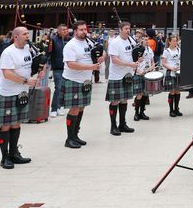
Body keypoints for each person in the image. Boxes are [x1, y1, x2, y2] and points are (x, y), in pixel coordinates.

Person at [0, 26, 38, 169]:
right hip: (8, 92)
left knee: (17, 123)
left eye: (27, 34)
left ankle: (14, 153)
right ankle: (4, 157)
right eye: (25, 34)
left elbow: (28, 67)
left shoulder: (27, 49)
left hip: (21, 92)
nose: (27, 36)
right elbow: (7, 73)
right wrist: (26, 81)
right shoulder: (8, 52)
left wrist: (37, 73)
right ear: (16, 36)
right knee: (5, 125)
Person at [61, 21, 105, 149]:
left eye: (85, 29)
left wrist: (102, 57)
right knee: (74, 108)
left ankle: (75, 135)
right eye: (81, 30)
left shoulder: (89, 42)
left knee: (81, 107)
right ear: (74, 31)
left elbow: (101, 51)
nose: (84, 32)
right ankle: (69, 139)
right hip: (73, 80)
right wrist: (90, 66)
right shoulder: (70, 46)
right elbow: (71, 64)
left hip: (85, 79)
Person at [106, 21, 139, 136]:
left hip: (128, 75)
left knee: (124, 99)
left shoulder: (131, 41)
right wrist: (130, 65)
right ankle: (113, 126)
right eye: (126, 29)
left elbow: (134, 54)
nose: (128, 31)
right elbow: (114, 60)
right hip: (117, 76)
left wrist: (138, 59)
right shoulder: (115, 42)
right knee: (114, 101)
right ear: (120, 29)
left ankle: (122, 124)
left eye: (129, 29)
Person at [48, 24, 69, 117]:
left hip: (68, 68)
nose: (65, 31)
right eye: (63, 30)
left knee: (65, 89)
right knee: (58, 88)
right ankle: (54, 108)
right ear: (58, 31)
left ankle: (61, 106)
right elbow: (49, 53)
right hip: (58, 68)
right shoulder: (53, 40)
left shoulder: (70, 40)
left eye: (66, 29)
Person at [132, 33, 153, 121]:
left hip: (147, 73)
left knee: (145, 93)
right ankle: (136, 113)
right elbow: (132, 61)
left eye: (147, 39)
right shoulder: (136, 49)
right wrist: (136, 69)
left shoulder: (149, 49)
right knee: (139, 94)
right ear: (141, 40)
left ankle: (142, 112)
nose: (147, 41)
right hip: (138, 73)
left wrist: (152, 69)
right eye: (145, 39)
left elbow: (152, 60)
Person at [161, 35, 182, 117]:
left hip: (178, 72)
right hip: (170, 72)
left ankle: (176, 109)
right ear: (169, 42)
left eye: (176, 41)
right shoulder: (166, 51)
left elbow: (180, 59)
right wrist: (171, 68)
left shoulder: (179, 50)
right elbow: (163, 63)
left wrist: (180, 66)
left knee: (178, 91)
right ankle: (171, 110)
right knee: (172, 91)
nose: (175, 42)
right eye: (173, 41)